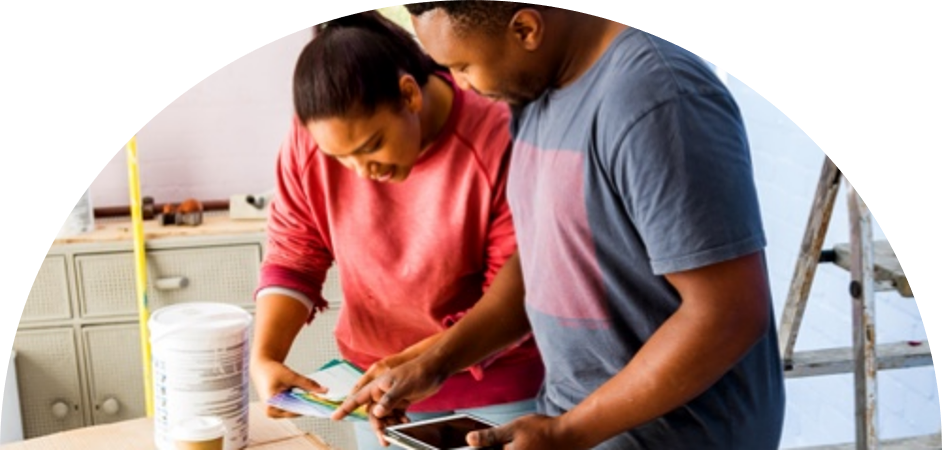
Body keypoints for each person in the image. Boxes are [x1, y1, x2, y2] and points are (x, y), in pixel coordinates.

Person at [332, 4, 786, 449]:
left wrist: (570, 432)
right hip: (584, 426)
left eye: (464, 66)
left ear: (526, 29)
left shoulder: (656, 97)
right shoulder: (536, 90)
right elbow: (541, 264)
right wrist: (436, 362)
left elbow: (728, 313)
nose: (464, 86)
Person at [249, 10, 544, 450]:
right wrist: (265, 357)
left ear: (409, 94)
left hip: (496, 389)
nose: (360, 173)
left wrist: (425, 364)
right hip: (375, 392)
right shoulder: (313, 140)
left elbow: (511, 296)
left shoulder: (498, 135)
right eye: (340, 158)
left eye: (371, 146)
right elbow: (295, 252)